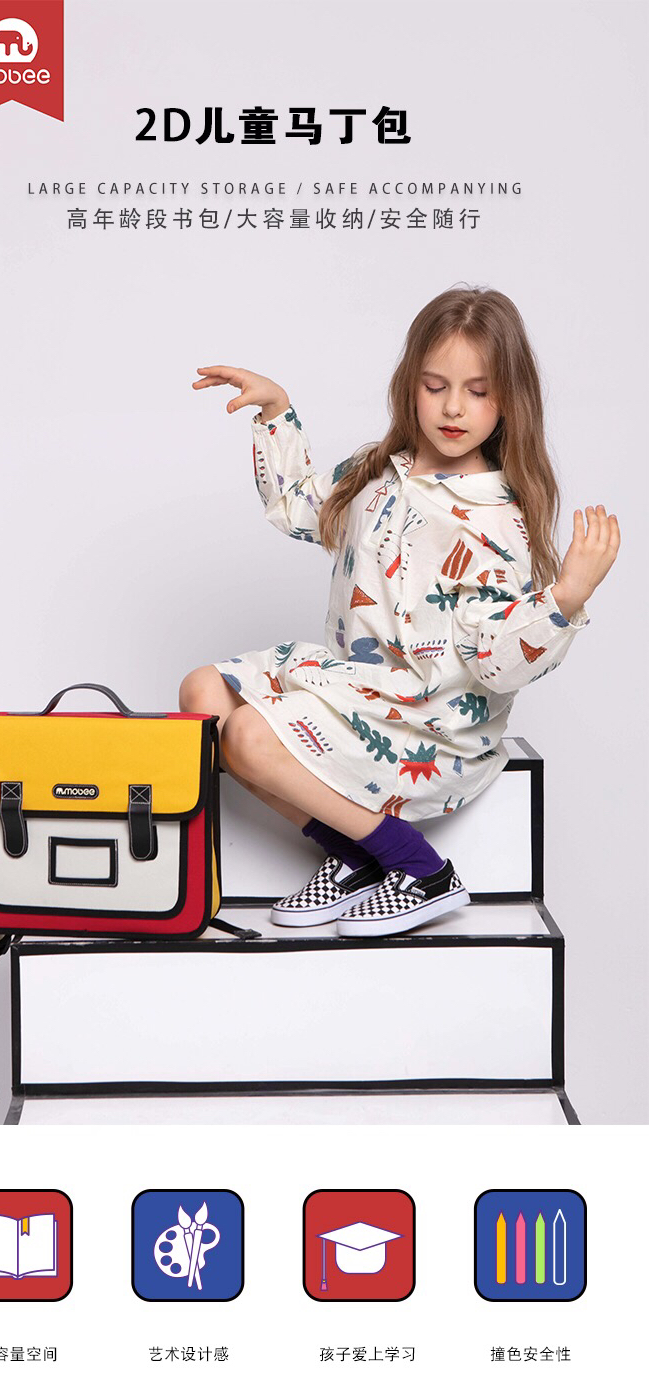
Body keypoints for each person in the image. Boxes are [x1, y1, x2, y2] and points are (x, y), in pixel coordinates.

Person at [181, 286, 620, 936]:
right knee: (202, 695)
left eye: (477, 391)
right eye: (435, 385)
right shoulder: (376, 470)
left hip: (429, 719)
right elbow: (298, 507)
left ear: (509, 399)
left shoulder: (497, 521)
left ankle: (421, 869)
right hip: (354, 685)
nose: (452, 407)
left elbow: (498, 666)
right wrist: (276, 411)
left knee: (246, 735)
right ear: (409, 384)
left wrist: (564, 600)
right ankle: (358, 855)